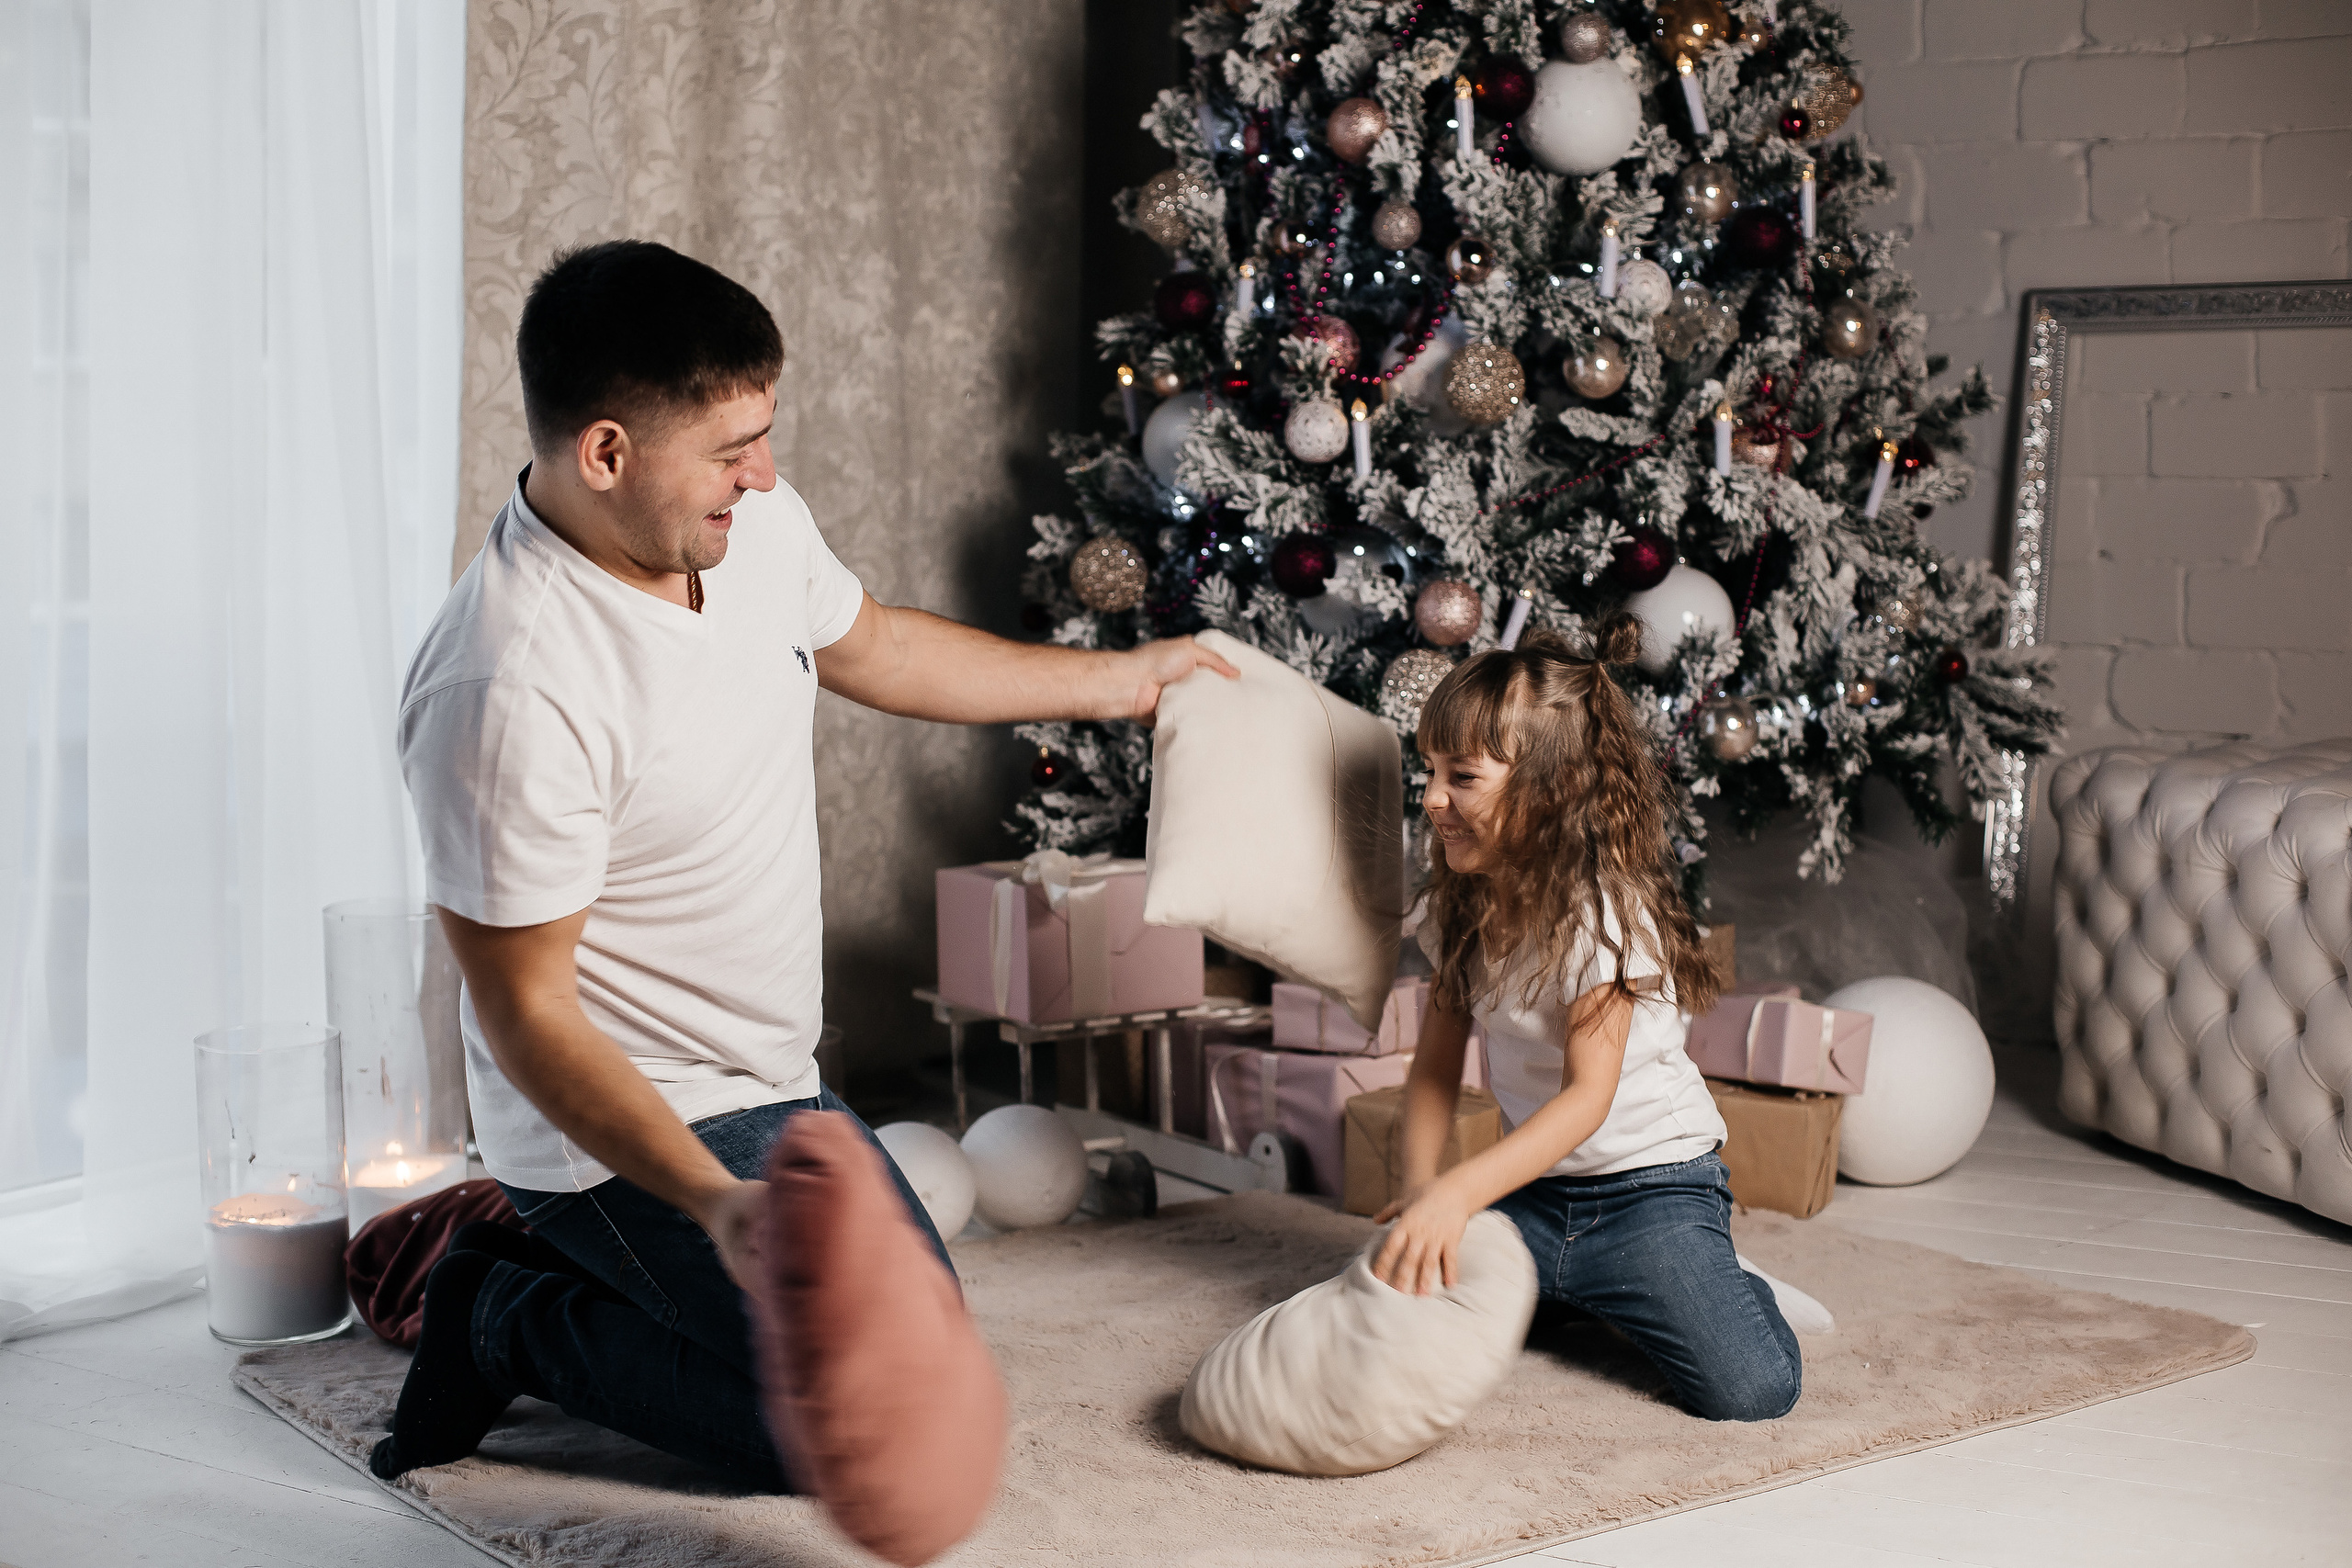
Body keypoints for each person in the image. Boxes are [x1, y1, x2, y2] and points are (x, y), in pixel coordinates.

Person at [376, 239, 1234, 1486]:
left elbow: (876, 645)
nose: (765, 475)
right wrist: (714, 1203)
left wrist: (1124, 681)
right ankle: (501, 1310)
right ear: (606, 451)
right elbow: (528, 1019)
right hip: (621, 1129)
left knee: (925, 1385)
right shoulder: (506, 685)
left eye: (762, 437)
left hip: (775, 1082)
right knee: (832, 1440)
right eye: (732, 450)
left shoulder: (742, 524)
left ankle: (578, 1280)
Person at [1369, 618, 1801, 1423]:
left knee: (1753, 1391)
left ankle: (1724, 1284)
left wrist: (1460, 1194)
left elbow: (1586, 1100)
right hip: (1535, 1193)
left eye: (1461, 776)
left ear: (1548, 789)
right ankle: (1576, 1290)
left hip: (1651, 1191)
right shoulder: (1459, 903)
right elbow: (1432, 1071)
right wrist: (1424, 1191)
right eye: (1428, 770)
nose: (1431, 798)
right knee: (1405, 1302)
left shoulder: (1608, 915)